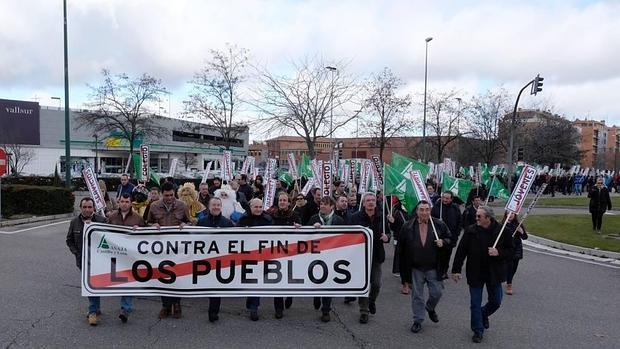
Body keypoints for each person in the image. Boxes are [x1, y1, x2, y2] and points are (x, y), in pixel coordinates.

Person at [451, 206, 514, 344]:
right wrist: (456, 270)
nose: (476, 218)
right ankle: (477, 330)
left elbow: (511, 251)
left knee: (496, 301)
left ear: (488, 218)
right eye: (476, 215)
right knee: (475, 303)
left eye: (479, 216)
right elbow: (461, 251)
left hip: (494, 273)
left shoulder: (503, 231)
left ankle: (483, 314)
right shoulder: (471, 231)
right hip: (475, 272)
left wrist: (499, 253)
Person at [399, 200, 451, 333]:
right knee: (417, 295)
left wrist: (443, 242)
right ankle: (418, 320)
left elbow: (450, 239)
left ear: (430, 210)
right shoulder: (408, 226)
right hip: (416, 267)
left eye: (427, 209)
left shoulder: (439, 224)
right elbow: (401, 249)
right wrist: (403, 275)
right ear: (417, 211)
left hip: (434, 266)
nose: (424, 212)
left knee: (437, 292)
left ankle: (430, 307)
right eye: (421, 209)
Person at [350, 192, 403, 324]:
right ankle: (364, 310)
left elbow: (389, 233)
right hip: (360, 255)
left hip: (376, 255)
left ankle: (371, 301)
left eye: (373, 200)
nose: (371, 202)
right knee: (363, 285)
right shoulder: (356, 217)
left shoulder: (382, 216)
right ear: (363, 203)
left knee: (376, 284)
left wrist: (387, 237)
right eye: (368, 200)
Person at [146, 181, 190, 319]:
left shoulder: (182, 206)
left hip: (178, 249)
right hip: (161, 249)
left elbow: (190, 221)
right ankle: (165, 306)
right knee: (162, 277)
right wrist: (152, 225)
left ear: (174, 193)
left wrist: (185, 224)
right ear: (161, 194)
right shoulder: (153, 206)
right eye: (166, 195)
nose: (169, 198)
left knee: (177, 277)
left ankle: (177, 304)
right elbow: (146, 223)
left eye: (171, 195)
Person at [65, 197, 108, 326]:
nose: (87, 210)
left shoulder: (102, 221)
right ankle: (94, 310)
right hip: (83, 261)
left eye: (90, 207)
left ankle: (93, 310)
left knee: (96, 285)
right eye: (85, 207)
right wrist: (77, 253)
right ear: (80, 208)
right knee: (90, 286)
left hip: (99, 261)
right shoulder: (74, 223)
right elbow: (69, 240)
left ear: (94, 208)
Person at [106, 193, 146, 323]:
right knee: (117, 280)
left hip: (130, 256)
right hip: (115, 255)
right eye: (122, 201)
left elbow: (147, 234)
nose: (124, 203)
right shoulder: (112, 217)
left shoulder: (138, 218)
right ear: (118, 202)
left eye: (127, 201)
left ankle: (126, 308)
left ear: (130, 203)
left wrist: (139, 229)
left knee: (128, 281)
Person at [307, 196, 345, 322]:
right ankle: (316, 297)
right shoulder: (313, 218)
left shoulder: (339, 220)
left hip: (332, 256)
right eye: (321, 204)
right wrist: (312, 228)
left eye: (325, 204)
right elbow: (305, 236)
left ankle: (326, 310)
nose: (322, 206)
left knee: (328, 282)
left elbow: (344, 236)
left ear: (332, 207)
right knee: (316, 279)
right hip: (316, 255)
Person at [196, 197, 235, 322]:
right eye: (214, 205)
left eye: (218, 205)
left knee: (215, 287)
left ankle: (213, 312)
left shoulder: (227, 223)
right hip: (204, 260)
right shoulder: (201, 222)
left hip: (220, 261)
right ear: (209, 206)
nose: (216, 207)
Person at [238, 198, 273, 321]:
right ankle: (250, 298)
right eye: (255, 207)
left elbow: (275, 236)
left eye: (260, 207)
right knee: (250, 281)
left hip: (263, 257)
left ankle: (254, 307)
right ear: (250, 207)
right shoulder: (243, 219)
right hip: (247, 256)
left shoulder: (268, 219)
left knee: (257, 282)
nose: (258, 210)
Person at [268, 192, 302, 319]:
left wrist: (299, 228)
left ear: (289, 202)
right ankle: (279, 308)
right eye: (280, 200)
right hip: (276, 252)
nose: (282, 202)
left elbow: (301, 232)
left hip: (291, 252)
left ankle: (290, 296)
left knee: (289, 277)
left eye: (284, 200)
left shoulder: (295, 215)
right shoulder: (271, 215)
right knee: (277, 280)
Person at [431, 191, 462, 279]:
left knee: (447, 255)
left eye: (447, 198)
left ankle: (444, 271)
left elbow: (459, 222)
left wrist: (456, 235)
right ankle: (436, 271)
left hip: (450, 238)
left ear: (451, 199)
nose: (445, 200)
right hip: (438, 237)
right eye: (443, 197)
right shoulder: (436, 207)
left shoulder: (455, 208)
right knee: (437, 255)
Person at [503, 211, 527, 295]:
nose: (510, 215)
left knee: (514, 267)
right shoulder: (502, 225)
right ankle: (509, 284)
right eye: (508, 213)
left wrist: (521, 232)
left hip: (516, 248)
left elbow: (525, 237)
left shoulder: (518, 224)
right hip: (507, 248)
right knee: (509, 266)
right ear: (505, 214)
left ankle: (509, 279)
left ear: (515, 215)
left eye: (512, 213)